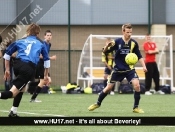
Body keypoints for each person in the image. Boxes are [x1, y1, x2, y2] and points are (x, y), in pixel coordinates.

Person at [88, 23, 147, 113]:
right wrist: (108, 45)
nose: (129, 34)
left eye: (131, 32)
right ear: (123, 32)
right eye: (127, 32)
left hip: (129, 69)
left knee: (137, 85)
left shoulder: (134, 43)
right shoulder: (117, 42)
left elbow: (139, 56)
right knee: (108, 88)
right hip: (118, 70)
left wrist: (144, 66)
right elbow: (105, 51)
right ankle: (98, 103)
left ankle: (135, 107)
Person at [1, 23, 50, 117]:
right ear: (38, 34)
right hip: (28, 68)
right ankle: (13, 111)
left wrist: (7, 70)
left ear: (28, 32)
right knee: (13, 93)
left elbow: (6, 55)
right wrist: (46, 75)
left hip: (17, 65)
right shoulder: (41, 43)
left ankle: (13, 112)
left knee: (22, 88)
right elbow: (46, 60)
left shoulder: (20, 41)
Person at [30, 30, 56, 102]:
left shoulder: (49, 44)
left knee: (46, 80)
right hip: (39, 64)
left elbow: (45, 56)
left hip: (44, 64)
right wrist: (51, 58)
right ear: (44, 36)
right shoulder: (43, 43)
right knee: (43, 81)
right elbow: (40, 56)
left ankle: (32, 92)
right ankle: (33, 97)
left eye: (50, 35)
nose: (49, 37)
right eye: (47, 35)